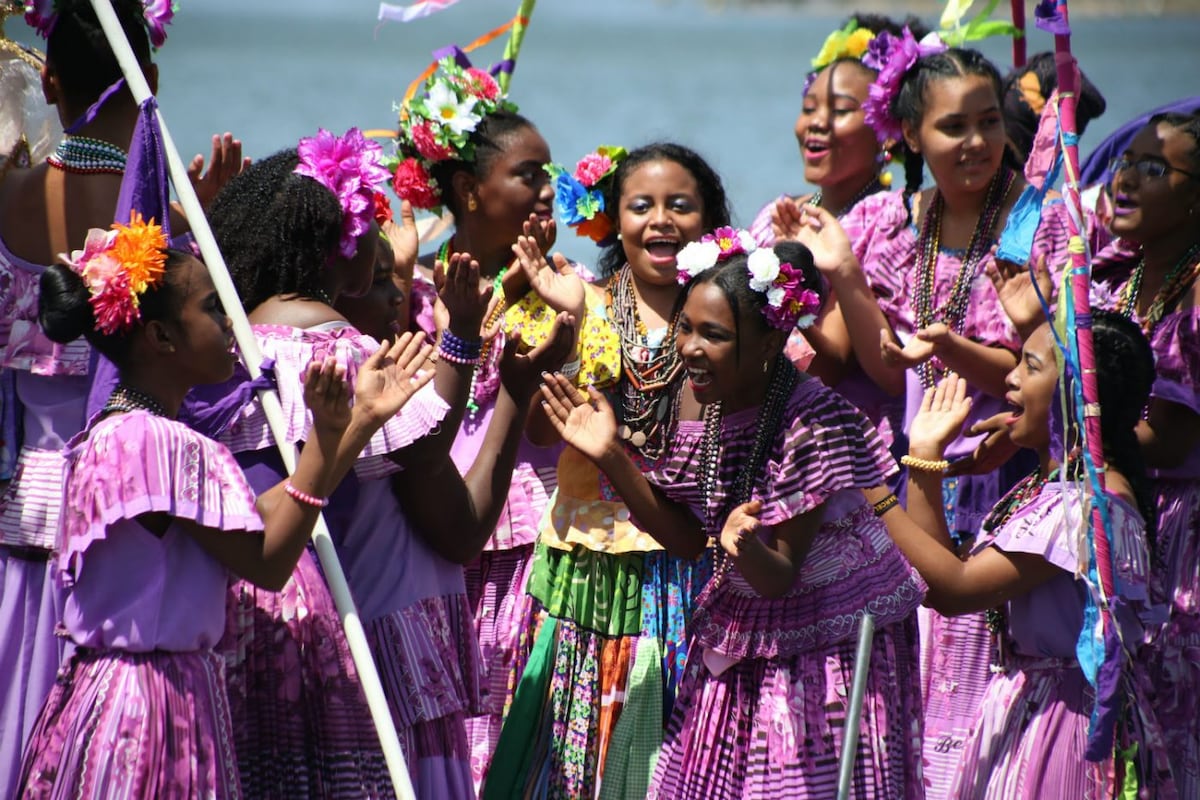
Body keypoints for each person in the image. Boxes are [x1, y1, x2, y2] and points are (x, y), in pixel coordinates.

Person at [209, 128, 572, 799]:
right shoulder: (341, 346)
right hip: (359, 628)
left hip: (255, 629)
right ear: (338, 243)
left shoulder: (233, 344)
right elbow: (423, 450)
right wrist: (461, 340)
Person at [17, 220, 433, 796]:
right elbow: (267, 558)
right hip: (151, 706)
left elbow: (259, 517)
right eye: (214, 309)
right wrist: (335, 436)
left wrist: (354, 425)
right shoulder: (156, 441)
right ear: (162, 337)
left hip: (140, 691)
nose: (230, 324)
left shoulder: (124, 432)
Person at [779, 41, 1074, 796]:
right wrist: (840, 271)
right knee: (901, 691)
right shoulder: (889, 219)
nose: (974, 143)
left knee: (987, 700)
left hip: (1009, 474)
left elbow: (1054, 379)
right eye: (952, 128)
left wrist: (961, 350)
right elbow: (887, 369)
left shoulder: (1040, 224)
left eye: (987, 122)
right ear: (912, 136)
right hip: (913, 470)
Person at [538, 231, 925, 799]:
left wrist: (742, 546)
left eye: (714, 335)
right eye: (686, 326)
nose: (690, 347)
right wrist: (611, 455)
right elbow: (688, 541)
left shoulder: (810, 420)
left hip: (831, 640)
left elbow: (779, 576)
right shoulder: (704, 402)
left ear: (770, 343)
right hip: (747, 621)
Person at [0, 2, 242, 793]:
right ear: (151, 81)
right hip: (124, 509)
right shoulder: (161, 234)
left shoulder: (7, 199)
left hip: (17, 499)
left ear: (52, 80)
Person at [483, 142, 733, 800]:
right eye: (641, 205)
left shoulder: (719, 319)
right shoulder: (583, 303)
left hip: (675, 563)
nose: (662, 220)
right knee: (567, 750)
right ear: (611, 219)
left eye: (681, 205)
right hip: (585, 558)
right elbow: (540, 430)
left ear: (709, 219)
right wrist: (567, 337)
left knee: (656, 750)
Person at [871, 313, 1173, 798]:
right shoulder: (1054, 488)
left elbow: (955, 589)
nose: (1010, 376)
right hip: (1035, 707)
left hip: (1064, 726)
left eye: (1030, 367)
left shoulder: (1085, 503)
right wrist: (926, 456)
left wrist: (870, 491)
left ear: (1074, 397)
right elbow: (943, 575)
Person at [1076, 111, 1200, 795]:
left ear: (1195, 196)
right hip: (1127, 513)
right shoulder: (1121, 282)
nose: (1124, 178)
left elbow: (1174, 435)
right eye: (1126, 161)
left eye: (1154, 168)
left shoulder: (1195, 295)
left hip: (1180, 536)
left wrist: (1072, 439)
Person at [749, 14, 928, 457]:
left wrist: (787, 286)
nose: (816, 123)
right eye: (809, 108)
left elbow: (832, 362)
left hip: (839, 448)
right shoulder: (776, 212)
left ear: (887, 131)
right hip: (763, 429)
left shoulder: (888, 220)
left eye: (841, 110)